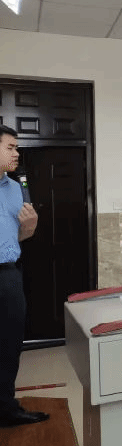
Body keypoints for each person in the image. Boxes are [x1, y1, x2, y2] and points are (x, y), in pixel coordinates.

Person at [0, 125, 45, 428]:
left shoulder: (17, 189)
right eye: (10, 147)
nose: (17, 153)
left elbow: (19, 237)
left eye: (17, 147)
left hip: (8, 276)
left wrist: (29, 229)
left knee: (9, 345)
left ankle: (7, 409)